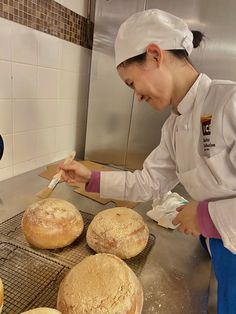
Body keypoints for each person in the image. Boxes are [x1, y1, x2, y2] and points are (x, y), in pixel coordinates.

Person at [60, 9, 236, 313]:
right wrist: (90, 178)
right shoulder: (173, 127)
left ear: (155, 56)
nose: (136, 97)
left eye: (131, 83)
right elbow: (148, 183)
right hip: (218, 245)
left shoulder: (229, 102)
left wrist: (206, 215)